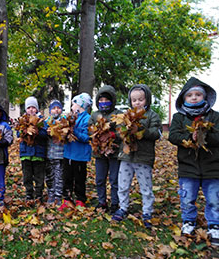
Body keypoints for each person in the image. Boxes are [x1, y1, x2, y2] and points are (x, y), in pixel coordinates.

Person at [168, 77, 219, 245]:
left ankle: (214, 224)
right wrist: (190, 137)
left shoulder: (214, 116)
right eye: (190, 95)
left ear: (205, 97)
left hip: (212, 166)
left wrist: (205, 137)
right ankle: (188, 220)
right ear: (184, 98)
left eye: (198, 94)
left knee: (214, 198)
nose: (194, 97)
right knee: (187, 197)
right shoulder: (179, 117)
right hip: (188, 166)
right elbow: (173, 135)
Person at [111, 84, 162, 228]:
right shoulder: (126, 115)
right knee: (123, 184)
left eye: (140, 99)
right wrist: (125, 132)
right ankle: (123, 207)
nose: (137, 103)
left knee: (146, 186)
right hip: (127, 156)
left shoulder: (152, 116)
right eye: (134, 100)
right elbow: (120, 131)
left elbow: (156, 134)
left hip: (143, 157)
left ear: (147, 100)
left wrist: (140, 130)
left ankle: (147, 211)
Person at [89, 85, 122, 214]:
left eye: (106, 100)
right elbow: (89, 131)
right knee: (100, 179)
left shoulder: (118, 114)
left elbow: (123, 131)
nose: (103, 103)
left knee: (114, 179)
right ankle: (102, 201)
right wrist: (96, 136)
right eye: (101, 100)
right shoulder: (95, 115)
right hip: (99, 153)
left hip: (114, 152)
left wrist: (112, 135)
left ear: (112, 101)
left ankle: (115, 202)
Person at [58, 93, 92, 211]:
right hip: (68, 153)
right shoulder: (71, 117)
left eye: (74, 104)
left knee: (79, 179)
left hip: (80, 155)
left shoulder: (87, 119)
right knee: (67, 177)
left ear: (80, 105)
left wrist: (74, 131)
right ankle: (66, 199)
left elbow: (87, 137)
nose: (72, 106)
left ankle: (80, 199)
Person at [19, 96, 48, 203]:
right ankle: (29, 194)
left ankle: (39, 194)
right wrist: (25, 131)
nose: (31, 110)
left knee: (39, 176)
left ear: (37, 109)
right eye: (29, 108)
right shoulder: (23, 121)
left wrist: (38, 132)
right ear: (26, 109)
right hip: (26, 153)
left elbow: (46, 134)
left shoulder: (41, 121)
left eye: (33, 107)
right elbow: (19, 133)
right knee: (27, 176)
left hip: (38, 154)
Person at [44, 100, 65, 206]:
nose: (56, 110)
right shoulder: (47, 121)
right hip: (48, 154)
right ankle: (51, 193)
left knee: (59, 175)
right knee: (49, 176)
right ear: (50, 110)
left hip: (60, 153)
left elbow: (67, 133)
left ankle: (58, 195)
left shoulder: (64, 121)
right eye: (53, 108)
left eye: (58, 107)